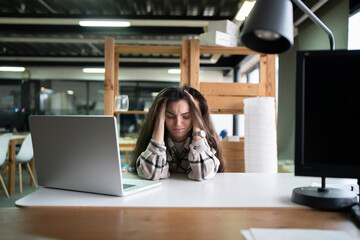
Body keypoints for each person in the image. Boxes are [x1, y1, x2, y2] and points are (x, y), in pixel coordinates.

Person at [130, 85, 224, 181]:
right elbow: (151, 174)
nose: (178, 123)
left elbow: (202, 174)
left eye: (186, 116)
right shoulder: (151, 138)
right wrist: (158, 121)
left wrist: (197, 126)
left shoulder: (207, 140)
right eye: (170, 116)